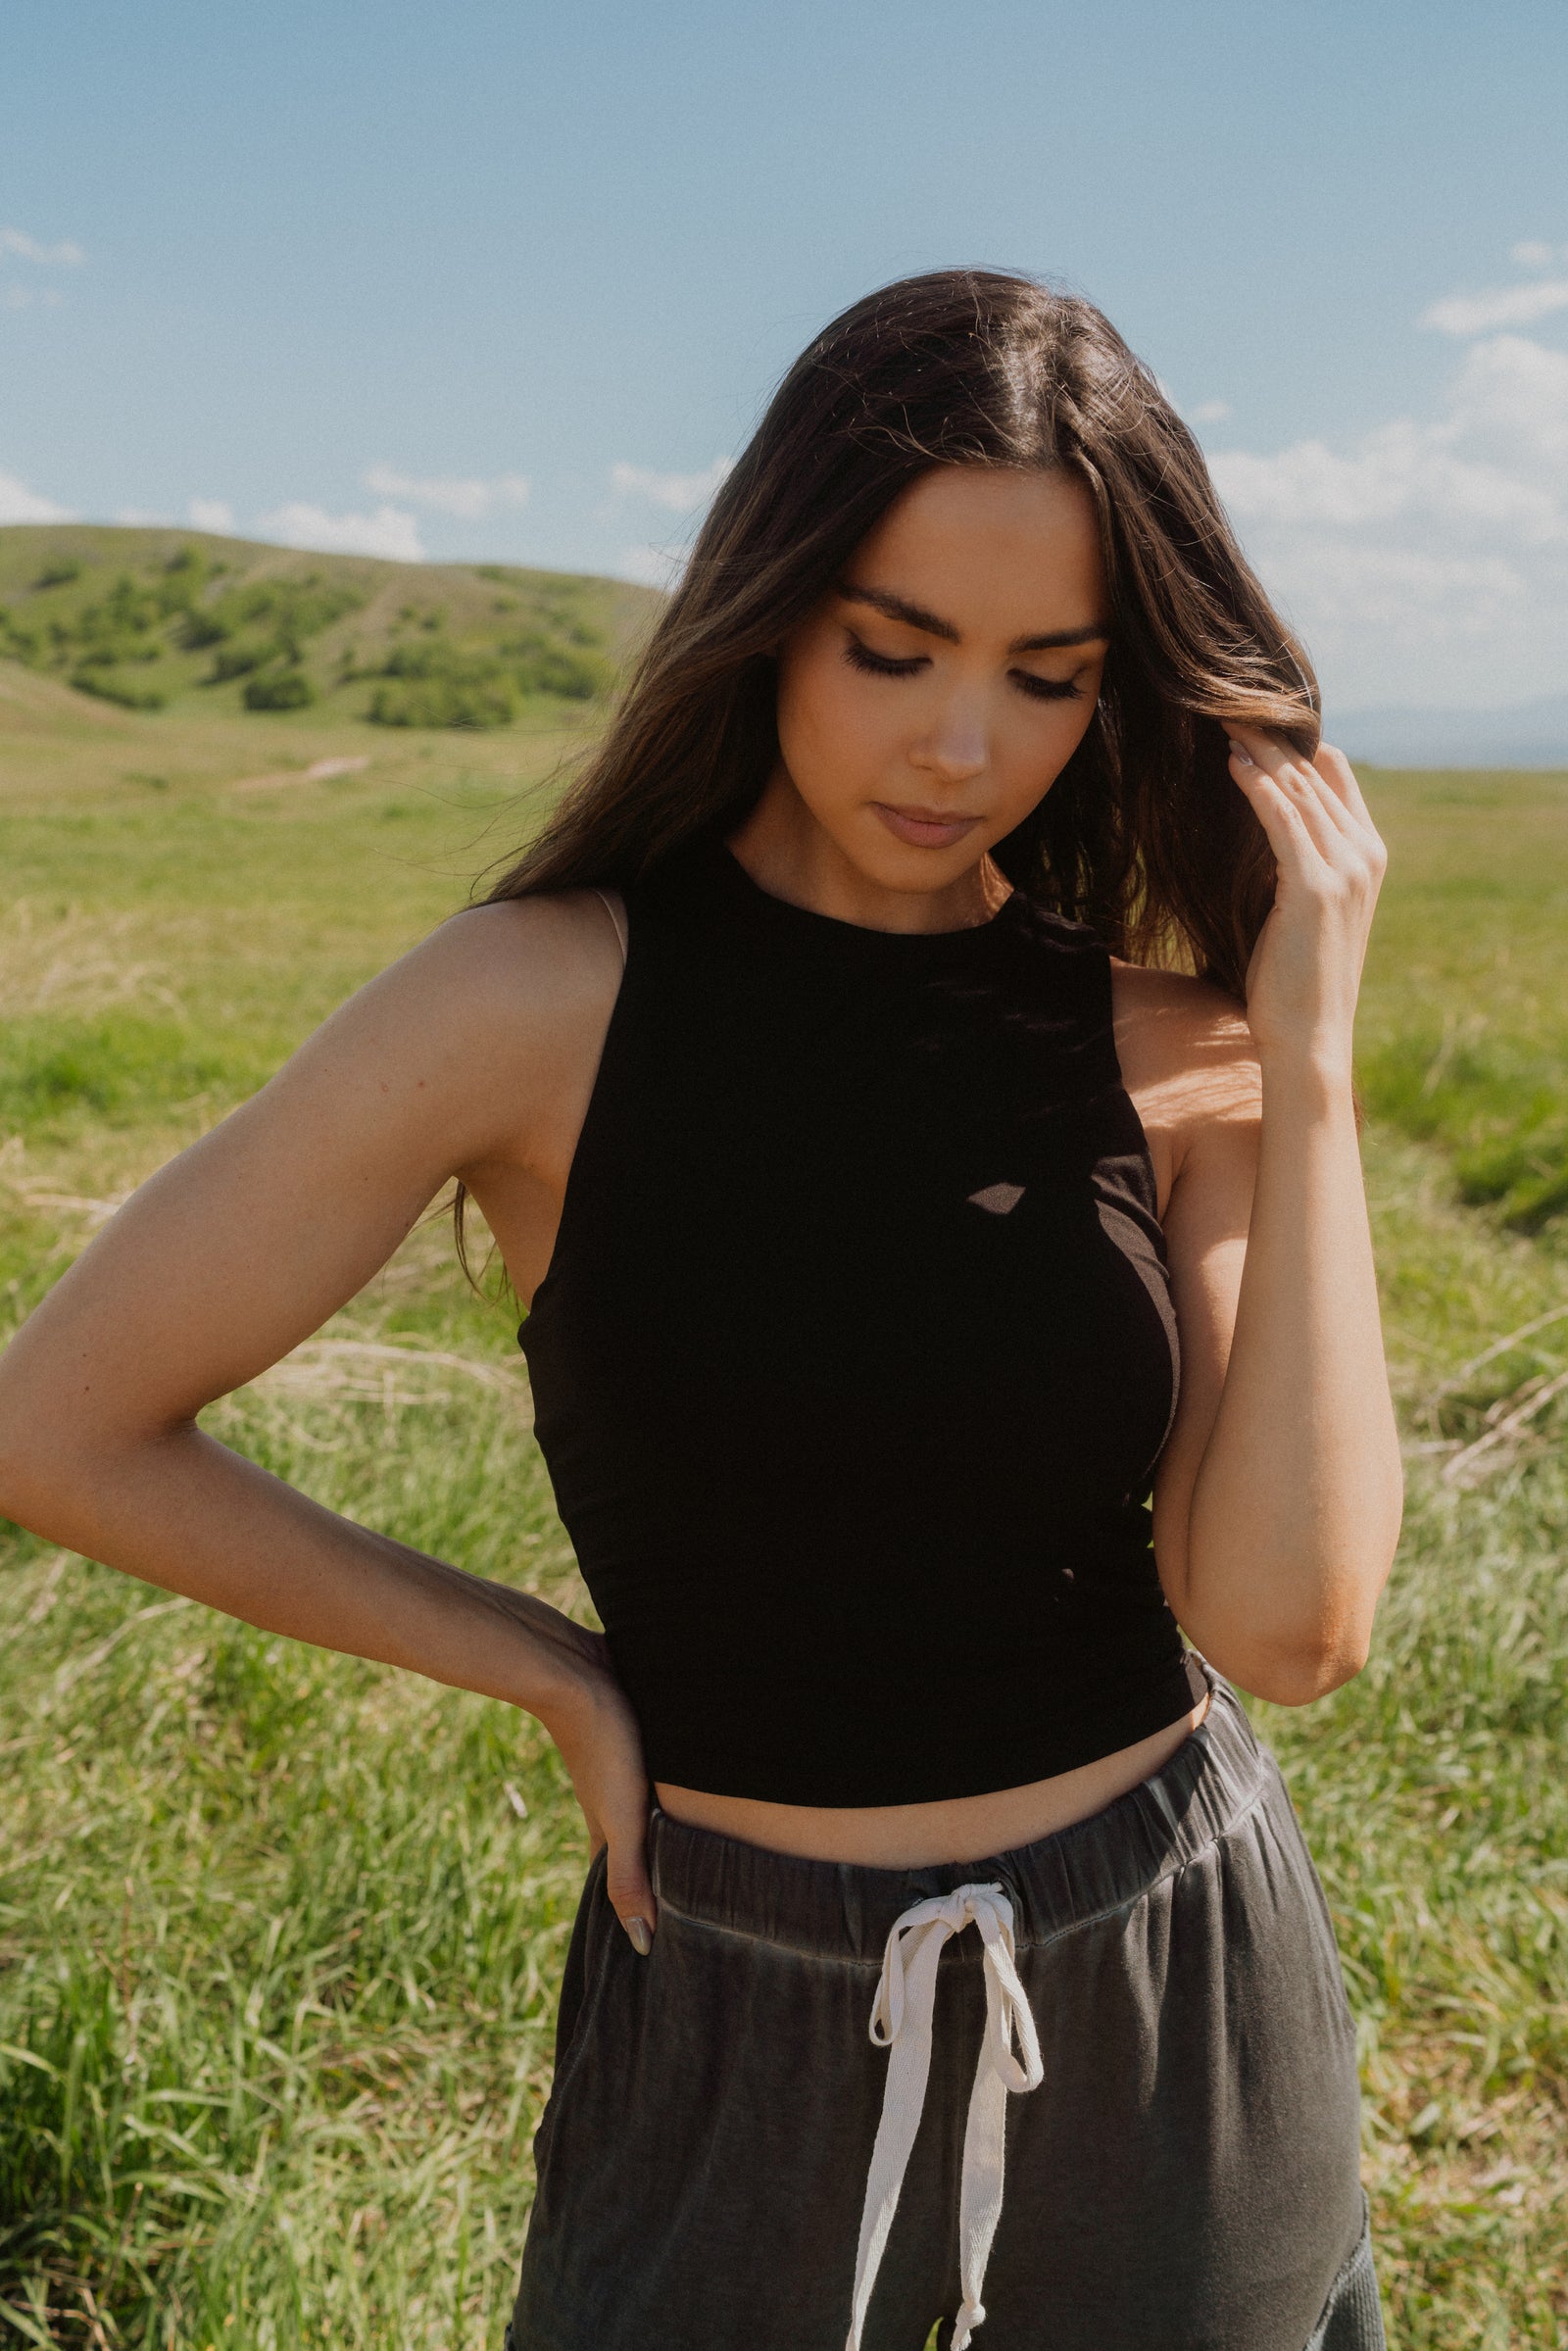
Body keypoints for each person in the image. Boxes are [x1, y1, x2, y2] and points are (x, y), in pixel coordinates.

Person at [0, 269, 1401, 2351]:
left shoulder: (1178, 1050)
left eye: (1046, 678)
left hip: (1167, 1999)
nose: (959, 745)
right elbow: (60, 1426)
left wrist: (1308, 1068)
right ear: (770, 608)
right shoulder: (531, 1005)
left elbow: (1288, 1624)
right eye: (890, 647)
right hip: (743, 2015)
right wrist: (549, 1671)